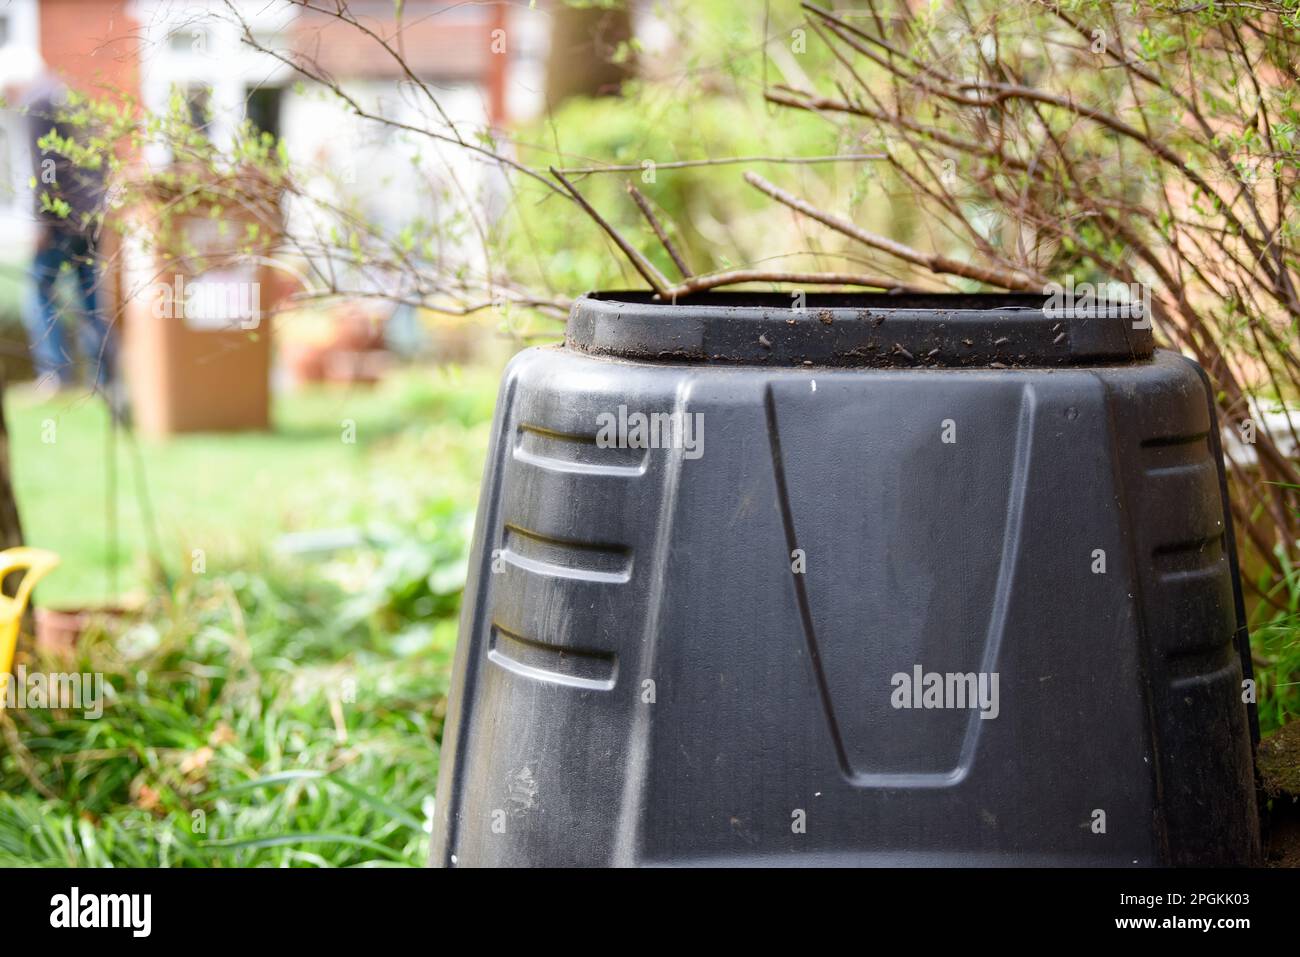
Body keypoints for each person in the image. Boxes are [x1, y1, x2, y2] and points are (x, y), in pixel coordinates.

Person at [6, 57, 115, 394]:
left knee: (39, 292)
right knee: (91, 297)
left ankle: (55, 375)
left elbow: (45, 166)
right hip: (89, 218)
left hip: (59, 222)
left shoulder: (36, 102)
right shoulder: (69, 95)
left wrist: (41, 220)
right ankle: (106, 378)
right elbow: (100, 156)